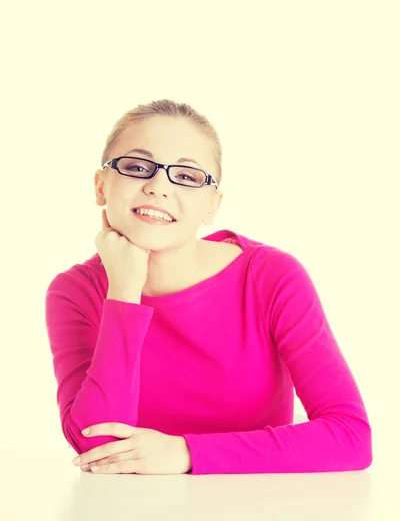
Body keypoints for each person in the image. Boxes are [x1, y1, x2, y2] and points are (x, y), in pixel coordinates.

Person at [45, 99, 372, 475]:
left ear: (212, 206)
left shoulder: (270, 277)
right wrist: (123, 290)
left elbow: (350, 437)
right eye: (137, 167)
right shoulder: (75, 291)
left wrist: (187, 453)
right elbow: (96, 446)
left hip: (261, 505)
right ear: (101, 186)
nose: (158, 187)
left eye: (186, 176)